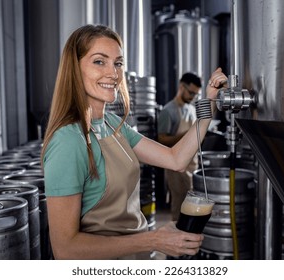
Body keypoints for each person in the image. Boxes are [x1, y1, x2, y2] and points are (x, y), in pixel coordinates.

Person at [41, 24, 227, 260]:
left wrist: (208, 102)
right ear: (74, 69)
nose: (114, 73)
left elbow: (176, 159)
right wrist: (154, 239)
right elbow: (65, 249)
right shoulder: (68, 141)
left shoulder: (112, 124)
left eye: (117, 63)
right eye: (99, 61)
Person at [157, 73, 202, 221]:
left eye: (195, 94)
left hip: (192, 164)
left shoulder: (191, 109)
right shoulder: (168, 111)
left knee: (190, 205)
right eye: (191, 92)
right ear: (181, 87)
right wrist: (187, 134)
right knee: (179, 206)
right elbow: (162, 140)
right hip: (175, 167)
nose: (193, 97)